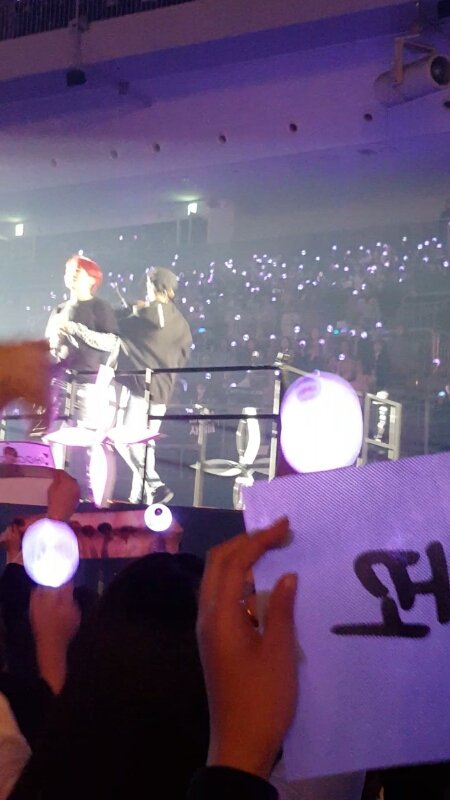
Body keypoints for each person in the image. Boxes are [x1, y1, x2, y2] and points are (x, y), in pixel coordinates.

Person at [114, 267, 192, 505]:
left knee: (123, 439)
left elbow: (118, 325)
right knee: (144, 444)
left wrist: (132, 308)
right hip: (162, 390)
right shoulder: (182, 323)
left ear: (156, 288)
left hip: (141, 387)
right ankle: (139, 497)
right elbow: (183, 354)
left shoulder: (146, 313)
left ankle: (155, 485)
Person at [45, 255, 118, 495]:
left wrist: (76, 329)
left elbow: (111, 342)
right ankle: (56, 489)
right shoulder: (58, 310)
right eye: (69, 270)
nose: (72, 274)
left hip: (90, 381)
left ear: (92, 278)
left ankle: (92, 495)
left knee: (91, 440)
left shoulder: (100, 307)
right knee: (54, 437)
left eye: (78, 270)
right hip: (61, 382)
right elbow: (49, 348)